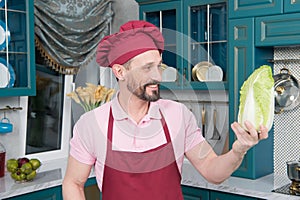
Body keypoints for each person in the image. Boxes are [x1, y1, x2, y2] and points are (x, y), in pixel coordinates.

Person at [62, 20, 269, 200]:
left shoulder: (178, 115)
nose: (158, 77)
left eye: (158, 66)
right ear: (120, 71)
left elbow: (212, 171)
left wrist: (238, 150)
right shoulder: (91, 124)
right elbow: (73, 183)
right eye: (147, 68)